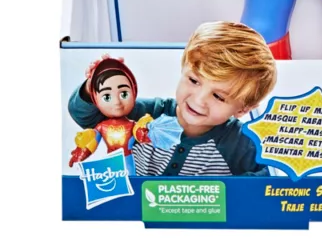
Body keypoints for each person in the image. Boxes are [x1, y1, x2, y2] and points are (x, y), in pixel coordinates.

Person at [68, 21, 277, 176]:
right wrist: (93, 88)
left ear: (243, 109)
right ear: (183, 69)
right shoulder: (148, 114)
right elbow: (87, 117)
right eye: (194, 81)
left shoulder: (239, 143)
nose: (199, 100)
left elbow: (266, 184)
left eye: (218, 96)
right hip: (136, 215)